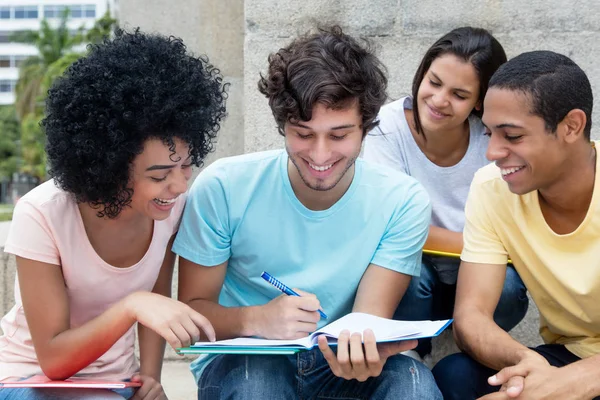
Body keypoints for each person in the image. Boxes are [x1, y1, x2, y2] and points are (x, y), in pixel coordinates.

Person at [173, 27, 442, 400]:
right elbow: (190, 317)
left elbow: (366, 320)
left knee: (412, 386)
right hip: (246, 359)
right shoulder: (224, 186)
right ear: (282, 124)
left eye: (338, 135)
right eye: (303, 133)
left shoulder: (402, 200)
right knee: (257, 384)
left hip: (338, 366)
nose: (319, 155)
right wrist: (256, 319)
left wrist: (363, 347)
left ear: (365, 127)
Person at [0, 29, 226, 399]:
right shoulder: (41, 214)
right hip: (30, 379)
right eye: (159, 175)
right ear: (110, 167)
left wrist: (150, 380)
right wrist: (131, 305)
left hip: (114, 383)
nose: (180, 186)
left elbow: (156, 293)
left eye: (186, 166)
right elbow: (54, 360)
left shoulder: (168, 209)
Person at [432, 50, 600, 399]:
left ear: (571, 126)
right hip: (566, 355)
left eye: (512, 136)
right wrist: (526, 363)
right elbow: (470, 317)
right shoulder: (491, 188)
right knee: (456, 375)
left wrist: (565, 386)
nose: (492, 151)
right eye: (490, 133)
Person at [362, 26, 529, 364]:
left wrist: (490, 250)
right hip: (415, 269)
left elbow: (516, 228)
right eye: (434, 82)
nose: (439, 101)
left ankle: (473, 348)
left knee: (511, 288)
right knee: (409, 274)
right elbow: (392, 226)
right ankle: (410, 357)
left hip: (478, 274)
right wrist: (485, 244)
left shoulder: (492, 139)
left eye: (459, 94)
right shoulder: (386, 128)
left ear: (480, 101)